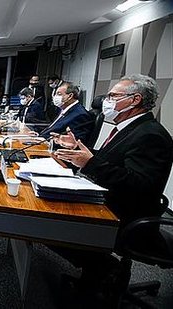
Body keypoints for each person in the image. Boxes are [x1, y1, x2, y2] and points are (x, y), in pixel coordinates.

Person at [51, 74, 173, 307]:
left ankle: (103, 268)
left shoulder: (151, 134)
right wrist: (80, 150)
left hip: (128, 218)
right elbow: (114, 163)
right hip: (111, 202)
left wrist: (90, 162)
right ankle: (97, 270)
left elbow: (138, 185)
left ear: (134, 99)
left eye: (113, 96)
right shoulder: (127, 128)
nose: (105, 101)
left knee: (53, 224)